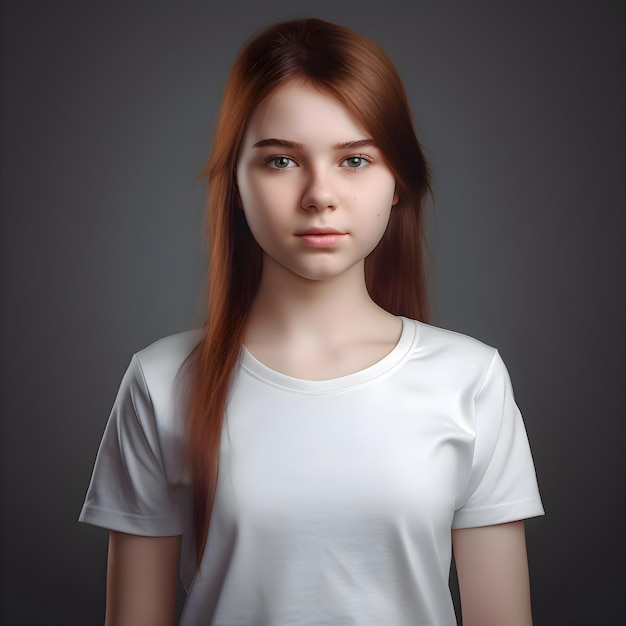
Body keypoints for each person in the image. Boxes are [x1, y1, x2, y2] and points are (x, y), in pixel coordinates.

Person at [79, 17, 544, 626]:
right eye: (280, 162)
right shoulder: (161, 381)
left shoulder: (471, 377)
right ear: (237, 186)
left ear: (396, 183)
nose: (320, 194)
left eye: (354, 160)